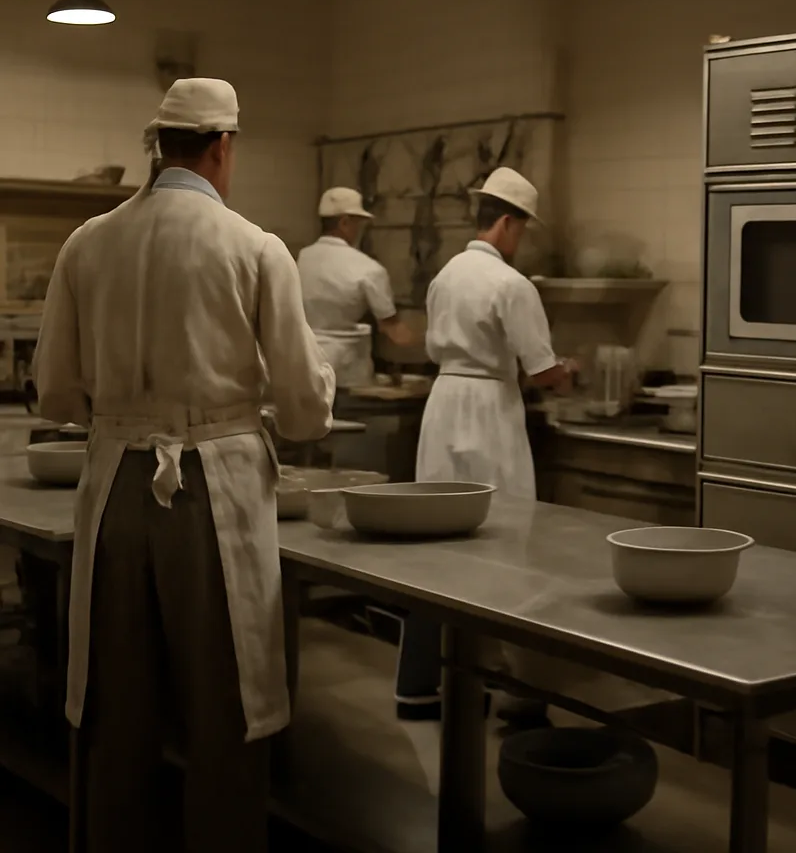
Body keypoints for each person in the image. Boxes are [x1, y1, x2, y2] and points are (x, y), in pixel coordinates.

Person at [33, 78, 336, 853]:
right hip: (214, 489)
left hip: (113, 491)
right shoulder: (254, 247)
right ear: (222, 146)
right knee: (226, 714)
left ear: (156, 146)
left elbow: (55, 394)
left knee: (116, 711)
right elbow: (303, 410)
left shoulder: (87, 242)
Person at [395, 166, 574, 723]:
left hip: (444, 404)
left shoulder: (446, 275)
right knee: (502, 545)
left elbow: (431, 345)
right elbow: (541, 369)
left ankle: (420, 688)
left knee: (434, 549)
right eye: (522, 230)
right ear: (506, 223)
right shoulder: (511, 285)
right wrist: (570, 371)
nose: (520, 241)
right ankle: (511, 693)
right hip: (490, 411)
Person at [297, 187, 414, 386]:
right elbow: (392, 329)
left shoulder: (301, 258)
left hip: (301, 360)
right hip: (345, 371)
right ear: (344, 222)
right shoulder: (369, 269)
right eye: (357, 224)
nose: (358, 231)